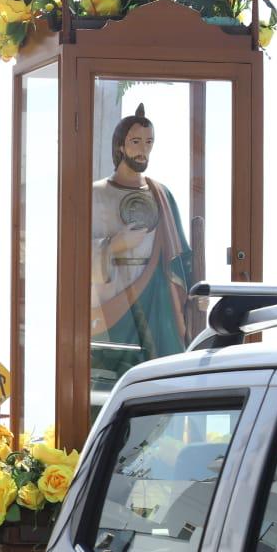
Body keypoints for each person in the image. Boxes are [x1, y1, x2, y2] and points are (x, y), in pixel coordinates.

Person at [90, 103, 195, 400]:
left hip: (157, 296)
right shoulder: (96, 194)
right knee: (114, 376)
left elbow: (180, 254)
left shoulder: (161, 194)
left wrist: (195, 294)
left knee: (165, 377)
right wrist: (114, 245)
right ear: (120, 146)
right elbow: (76, 254)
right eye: (135, 142)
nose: (143, 150)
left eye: (149, 142)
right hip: (114, 297)